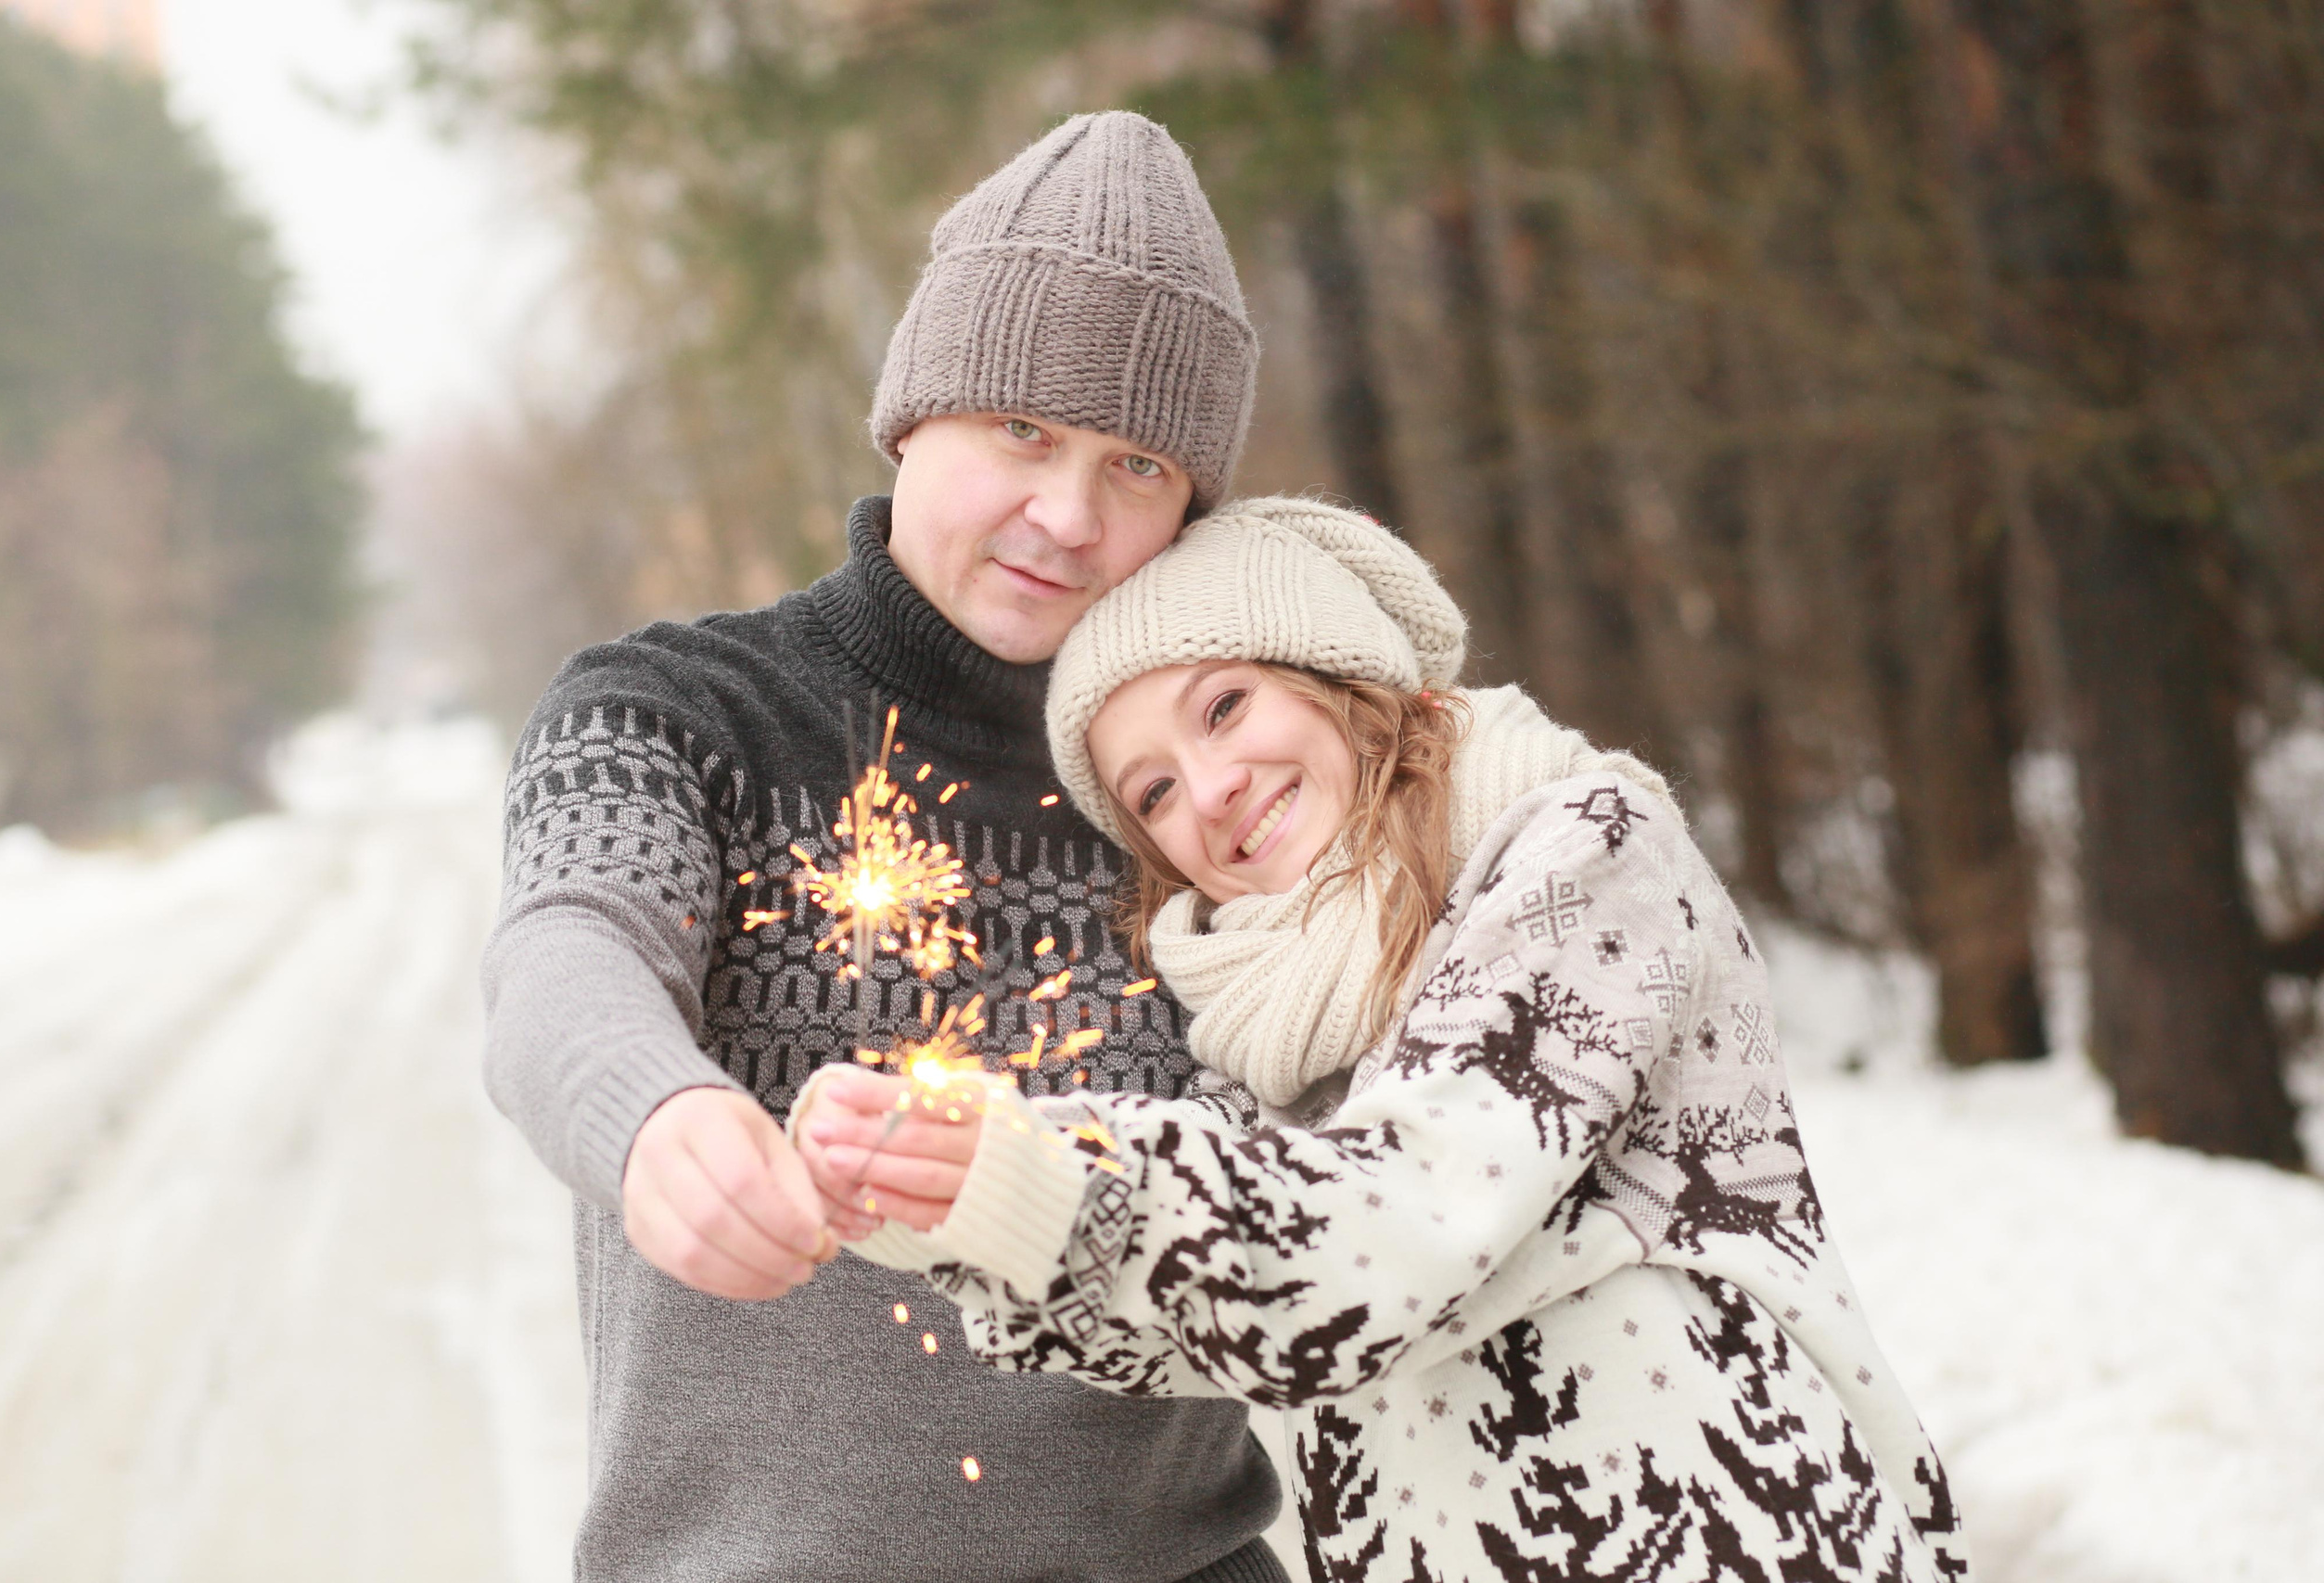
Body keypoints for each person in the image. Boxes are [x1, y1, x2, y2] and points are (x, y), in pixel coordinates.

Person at [794, 498, 1973, 1582]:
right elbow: (1220, 1319)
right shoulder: (1268, 1044)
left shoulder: (1584, 858)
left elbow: (1397, 1219)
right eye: (1150, 794)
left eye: (1223, 706)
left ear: (1334, 669)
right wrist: (946, 1204)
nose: (1206, 791)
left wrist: (1048, 1173)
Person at [480, 111, 1291, 1582]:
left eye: (1138, 467)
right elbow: (566, 946)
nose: (1068, 514)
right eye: (1024, 431)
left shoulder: (1221, 789)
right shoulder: (680, 710)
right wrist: (657, 1116)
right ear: (917, 414)